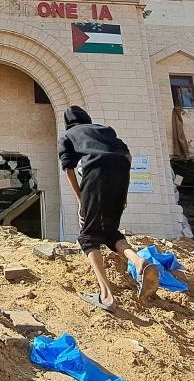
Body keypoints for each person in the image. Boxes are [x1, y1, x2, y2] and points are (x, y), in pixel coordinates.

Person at [58, 106, 159, 311]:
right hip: (120, 175)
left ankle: (106, 296)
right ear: (87, 118)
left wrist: (80, 199)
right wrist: (123, 189)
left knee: (88, 237)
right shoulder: (105, 129)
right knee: (110, 231)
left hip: (96, 175)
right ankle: (139, 262)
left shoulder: (69, 134)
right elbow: (128, 156)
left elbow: (69, 168)